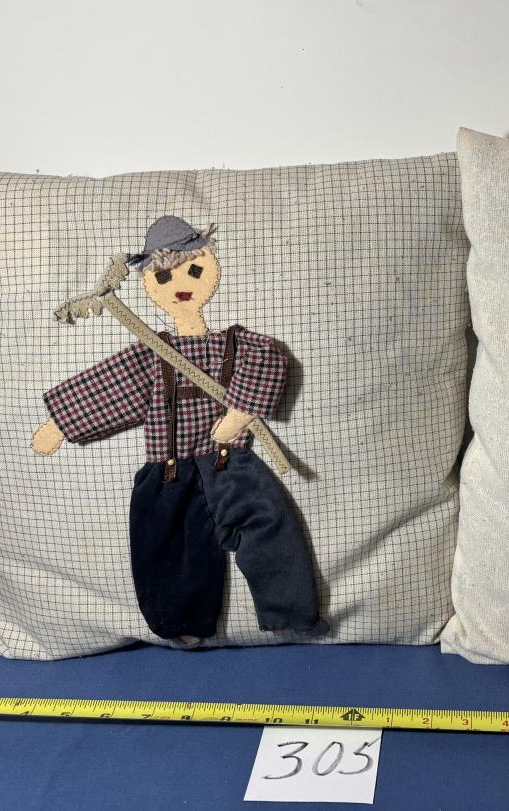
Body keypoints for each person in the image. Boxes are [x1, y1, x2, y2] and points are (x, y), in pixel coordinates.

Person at [31, 216, 320, 644]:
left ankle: (290, 610)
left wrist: (241, 412)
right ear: (151, 283)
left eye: (195, 270)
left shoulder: (235, 344)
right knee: (170, 544)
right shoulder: (152, 356)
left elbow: (268, 358)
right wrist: (60, 423)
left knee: (267, 525)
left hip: (232, 463)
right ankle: (182, 623)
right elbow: (110, 386)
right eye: (164, 276)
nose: (181, 284)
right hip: (169, 472)